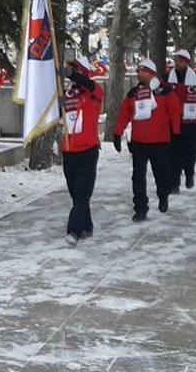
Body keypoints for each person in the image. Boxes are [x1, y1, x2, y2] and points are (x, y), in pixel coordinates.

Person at [113, 59, 181, 222]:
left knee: (161, 174)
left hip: (160, 141)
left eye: (141, 71)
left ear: (151, 73)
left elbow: (175, 112)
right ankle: (140, 208)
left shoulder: (166, 91)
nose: (138, 74)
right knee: (138, 177)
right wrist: (117, 133)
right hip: (138, 141)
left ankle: (163, 195)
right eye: (137, 72)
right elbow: (124, 113)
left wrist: (176, 133)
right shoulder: (133, 93)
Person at [60, 56, 104, 246]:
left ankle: (74, 230)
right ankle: (87, 225)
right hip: (69, 150)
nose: (71, 73)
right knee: (76, 194)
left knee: (82, 192)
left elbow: (88, 83)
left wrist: (73, 74)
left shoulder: (94, 92)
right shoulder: (66, 95)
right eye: (70, 69)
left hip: (88, 149)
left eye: (76, 69)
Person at [167, 50, 196, 192]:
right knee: (174, 153)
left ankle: (189, 174)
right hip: (173, 121)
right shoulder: (168, 77)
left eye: (179, 60)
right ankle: (174, 183)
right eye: (175, 60)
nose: (176, 63)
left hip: (191, 122)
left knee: (190, 151)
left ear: (185, 62)